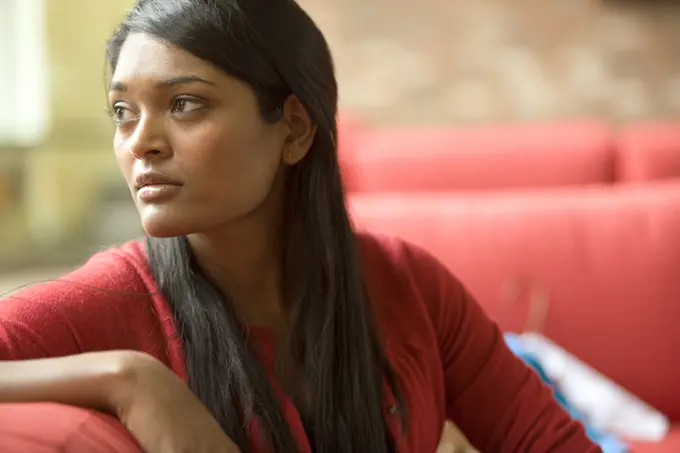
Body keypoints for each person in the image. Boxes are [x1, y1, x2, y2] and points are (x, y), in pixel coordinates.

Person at [0, 0, 602, 452]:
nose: (141, 143)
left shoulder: (407, 285)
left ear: (293, 129)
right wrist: (128, 380)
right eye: (123, 113)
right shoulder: (106, 306)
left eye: (185, 104)